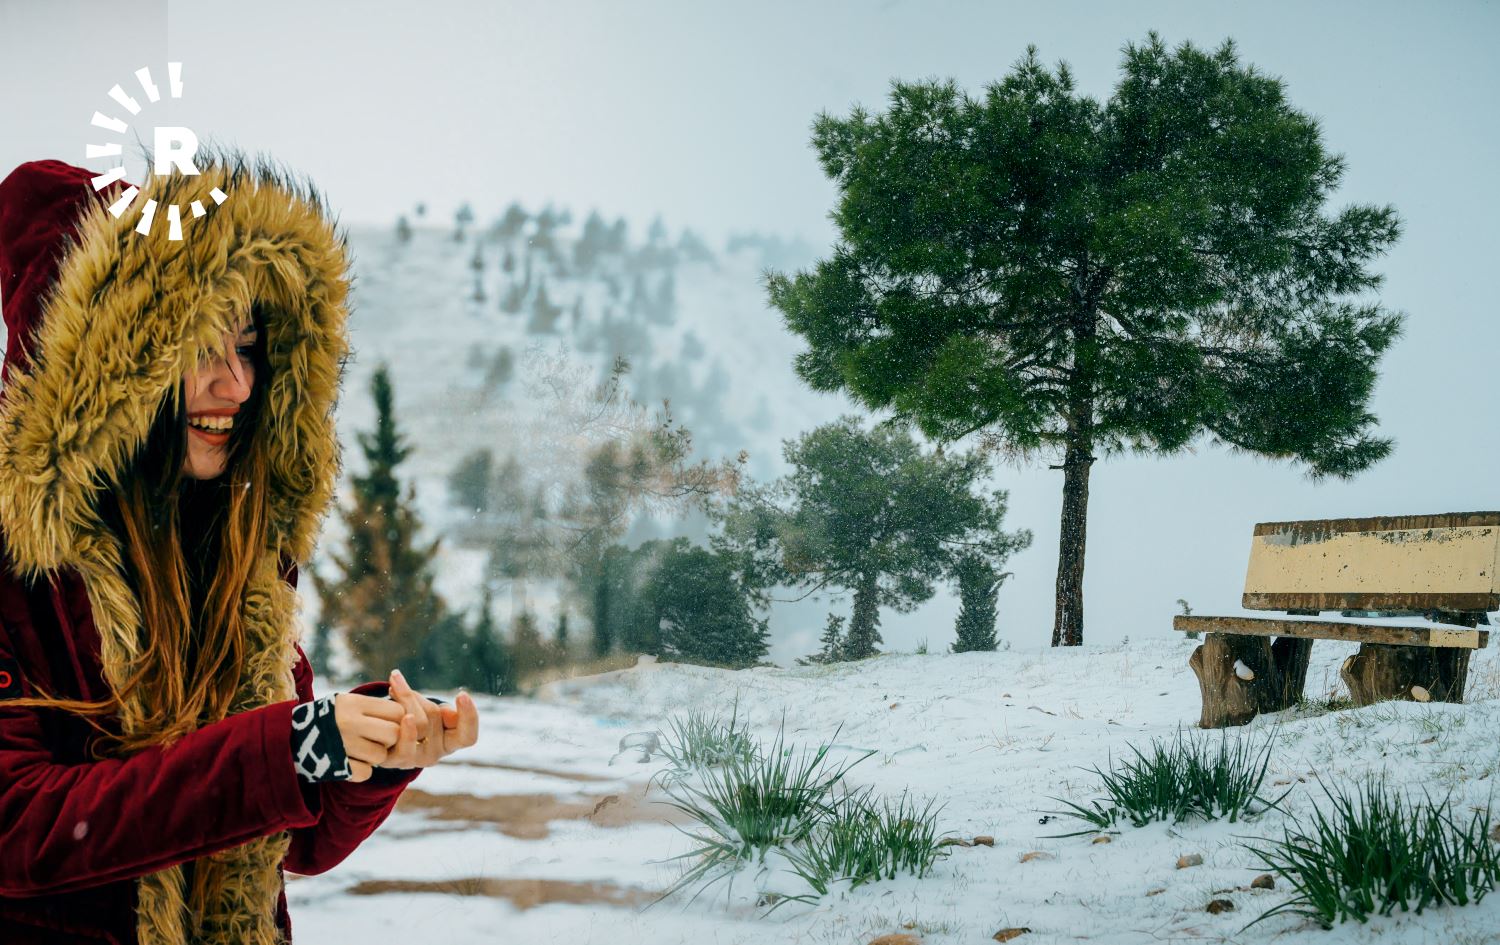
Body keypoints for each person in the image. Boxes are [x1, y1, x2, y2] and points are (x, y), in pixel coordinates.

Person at [0, 149, 479, 945]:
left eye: (249, 346)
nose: (239, 384)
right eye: (200, 349)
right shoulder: (18, 567)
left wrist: (365, 751)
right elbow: (19, 828)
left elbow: (279, 835)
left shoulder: (234, 556)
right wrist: (283, 752)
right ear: (103, 373)